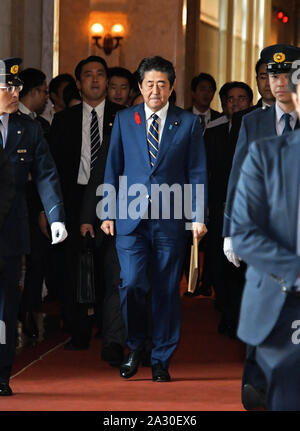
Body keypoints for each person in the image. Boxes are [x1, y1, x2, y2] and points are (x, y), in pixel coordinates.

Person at [101, 56, 207, 382]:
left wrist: (198, 217)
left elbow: (197, 172)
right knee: (131, 283)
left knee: (164, 291)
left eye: (162, 83)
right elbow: (113, 166)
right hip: (130, 219)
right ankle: (135, 346)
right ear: (140, 86)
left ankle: (161, 357)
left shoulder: (187, 123)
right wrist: (107, 210)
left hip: (170, 220)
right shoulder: (123, 119)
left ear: (172, 87)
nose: (155, 90)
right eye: (149, 83)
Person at [223, 44, 300, 410]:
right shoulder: (252, 122)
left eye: (286, 75)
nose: (279, 83)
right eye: (272, 75)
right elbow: (237, 179)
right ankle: (256, 383)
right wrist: (229, 232)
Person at [49, 56, 125, 366]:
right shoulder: (64, 120)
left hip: (111, 200)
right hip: (73, 197)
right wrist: (48, 209)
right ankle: (78, 331)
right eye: (87, 75)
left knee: (110, 267)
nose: (94, 80)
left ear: (107, 81)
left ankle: (111, 332)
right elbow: (51, 168)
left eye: (100, 75)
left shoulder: (124, 117)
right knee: (73, 266)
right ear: (78, 83)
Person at [0, 57, 67, 396]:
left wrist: (55, 216)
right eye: (7, 87)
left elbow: (46, 173)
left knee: (5, 305)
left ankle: (0, 373)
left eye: (16, 87)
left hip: (11, 233)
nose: (15, 93)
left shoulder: (30, 128)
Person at [202, 82, 253, 334]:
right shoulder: (213, 130)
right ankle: (226, 310)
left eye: (241, 98)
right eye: (230, 99)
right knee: (220, 261)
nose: (236, 103)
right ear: (222, 103)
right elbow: (205, 171)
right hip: (219, 204)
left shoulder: (256, 125)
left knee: (244, 265)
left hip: (249, 208)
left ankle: (242, 313)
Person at [18, 68, 52, 338]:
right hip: (15, 200)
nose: (47, 99)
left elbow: (46, 173)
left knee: (37, 258)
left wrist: (44, 209)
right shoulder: (16, 121)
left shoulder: (39, 125)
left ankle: (29, 311)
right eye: (44, 92)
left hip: (32, 200)